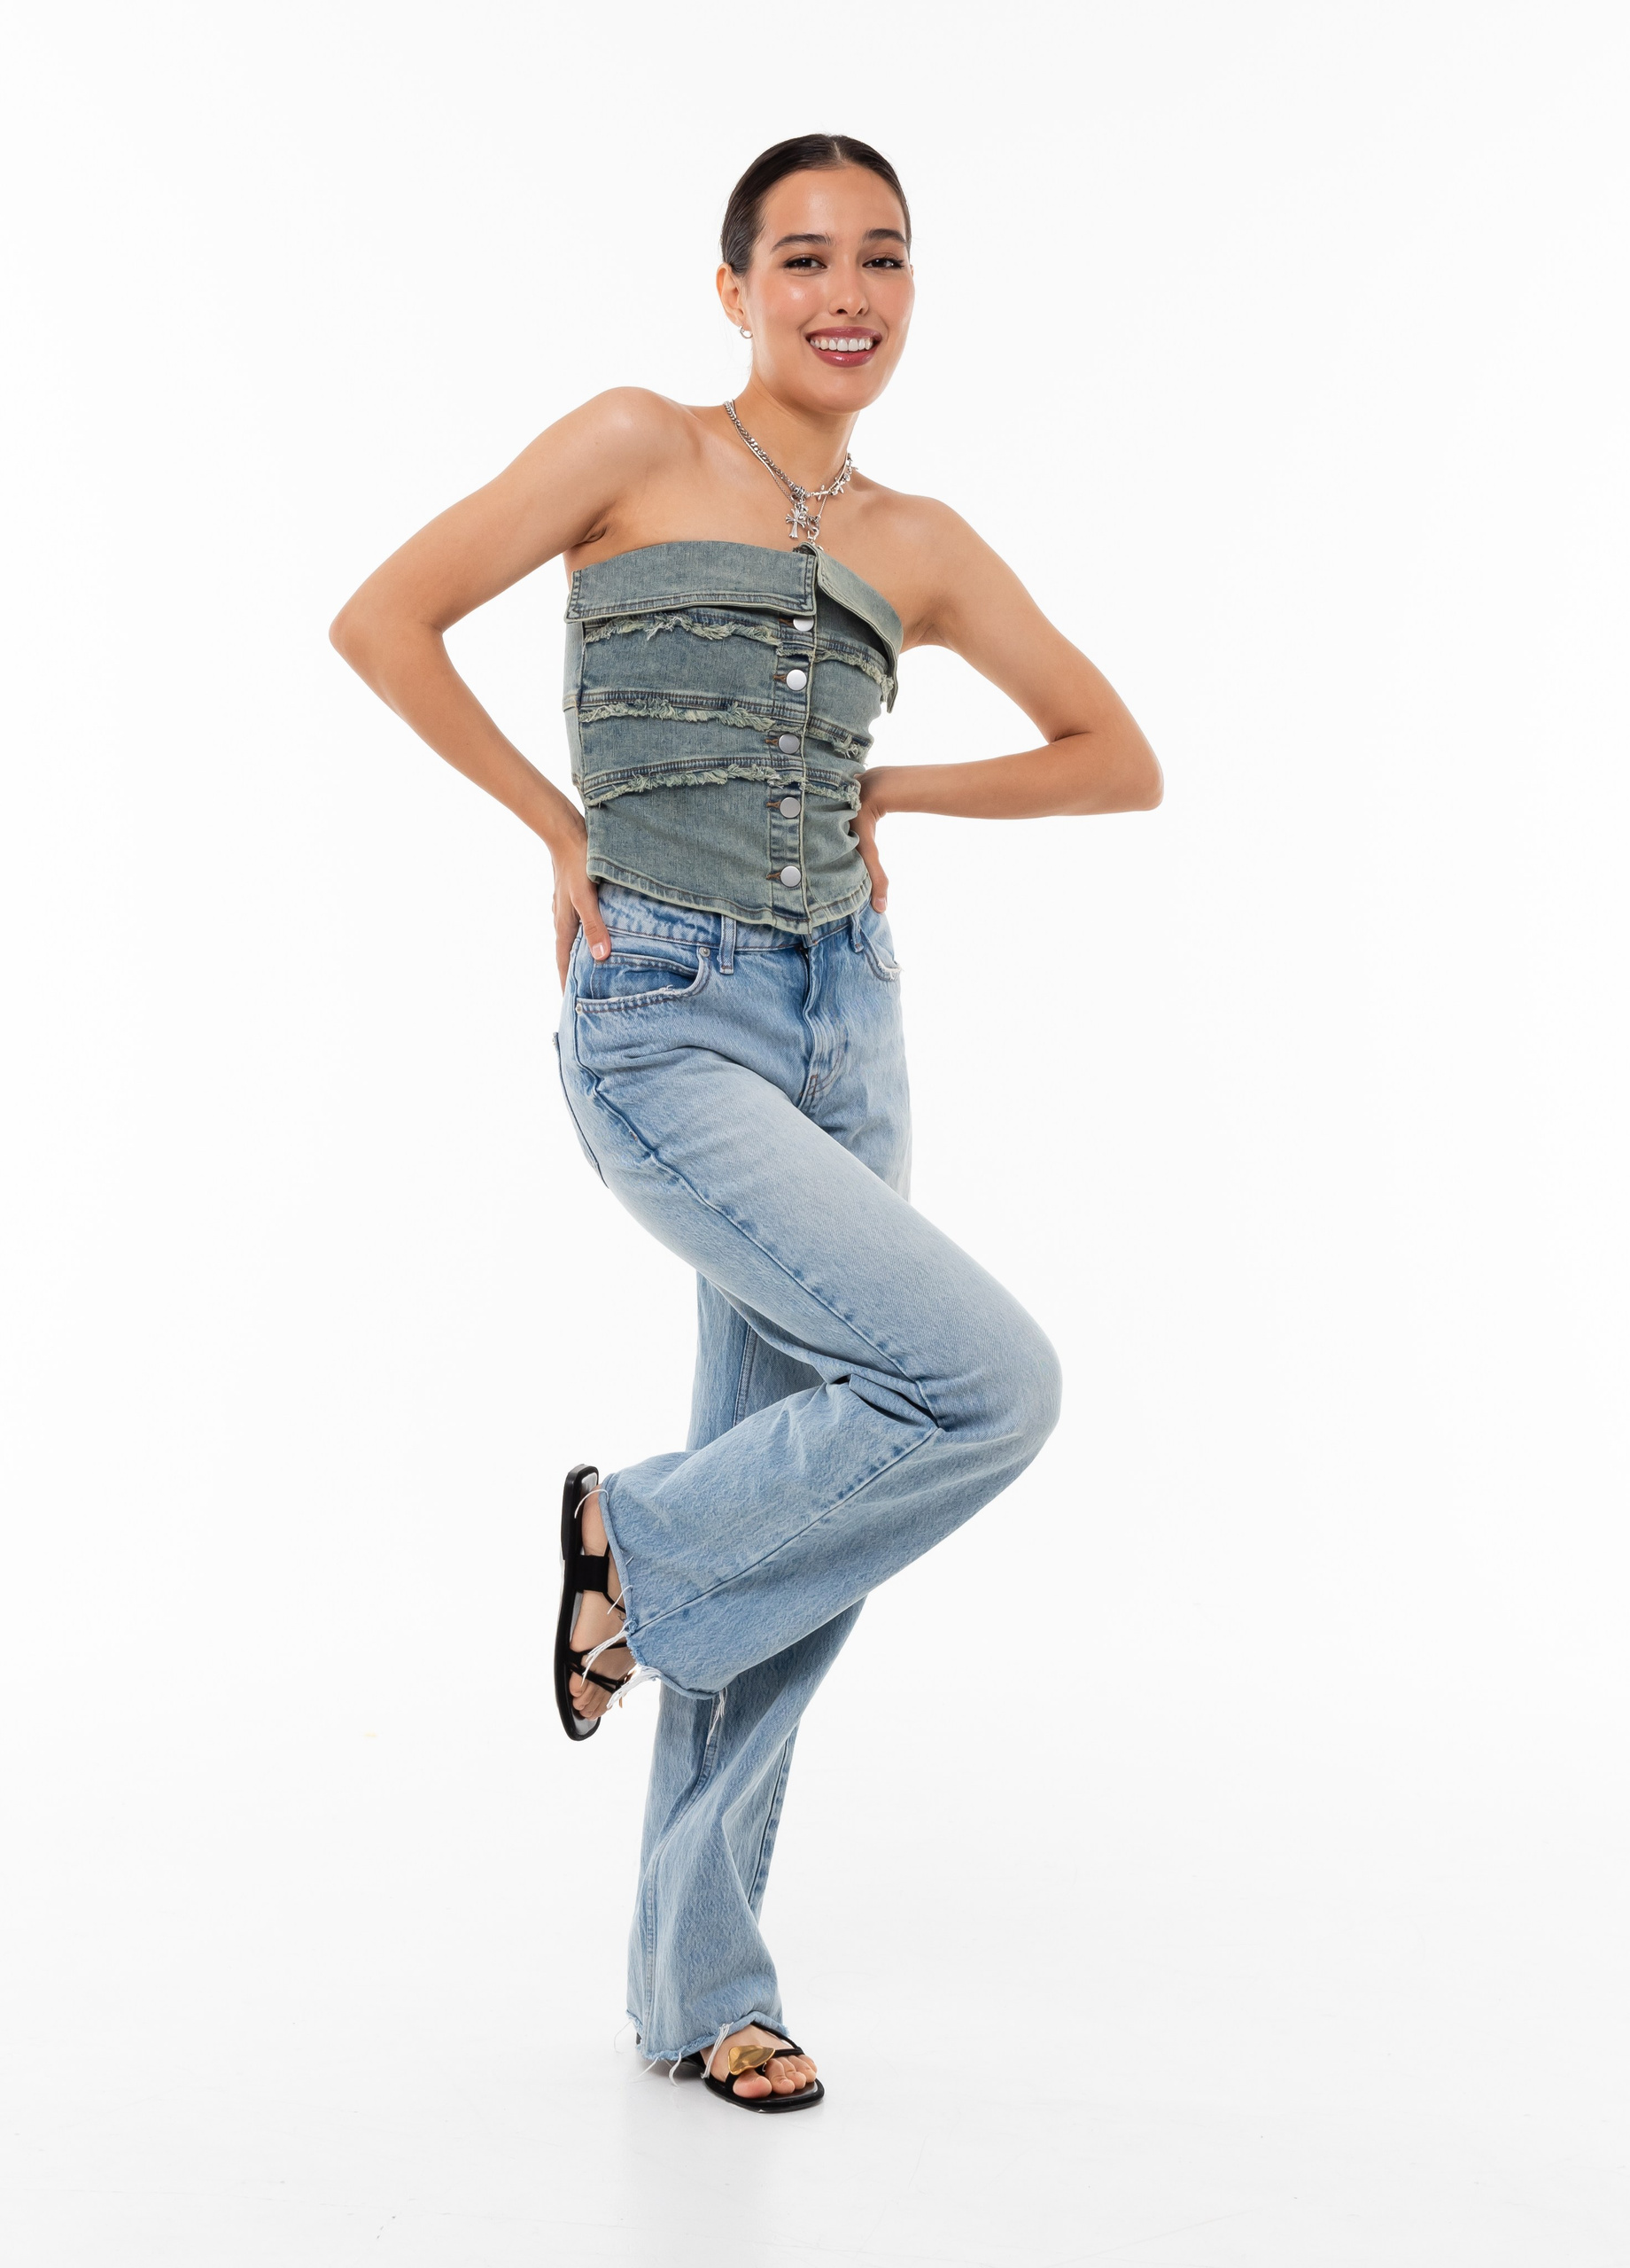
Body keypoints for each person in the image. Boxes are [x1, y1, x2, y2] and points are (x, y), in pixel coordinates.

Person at [330, 132, 1161, 2113]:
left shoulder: (922, 540)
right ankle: (630, 1536)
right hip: (664, 1017)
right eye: (803, 258)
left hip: (845, 1025)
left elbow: (1118, 756)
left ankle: (702, 1989)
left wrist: (902, 794)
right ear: (735, 289)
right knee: (984, 1384)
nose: (844, 293)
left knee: (811, 1504)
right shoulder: (633, 441)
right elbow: (384, 619)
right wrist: (558, 828)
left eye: (882, 257)